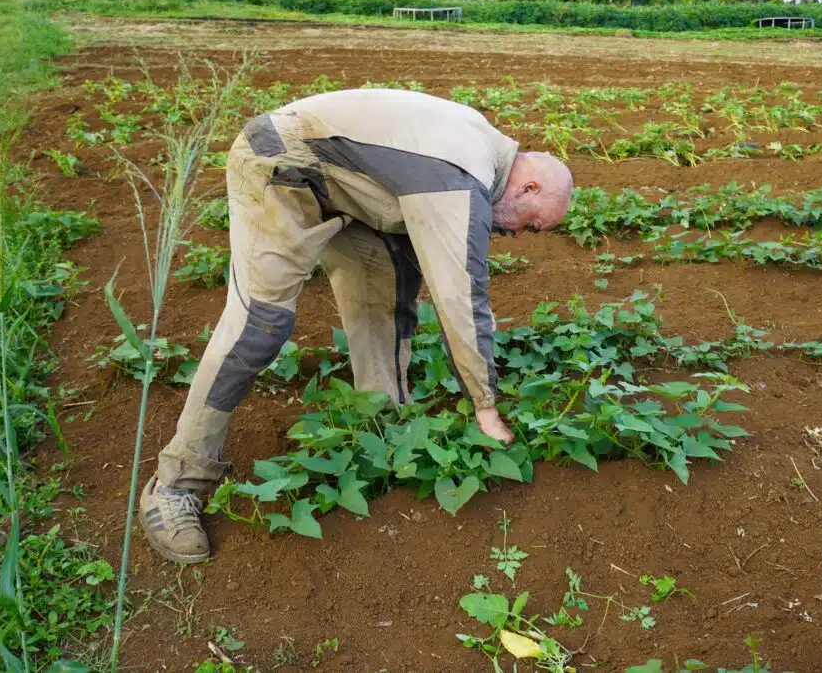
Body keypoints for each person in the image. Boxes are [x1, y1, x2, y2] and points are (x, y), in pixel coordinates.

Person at [139, 88, 574, 563]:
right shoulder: (460, 176)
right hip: (281, 163)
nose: (516, 235)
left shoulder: (482, 152)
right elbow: (460, 297)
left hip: (350, 182)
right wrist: (485, 408)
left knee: (387, 292)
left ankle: (381, 424)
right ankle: (177, 482)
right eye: (531, 225)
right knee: (259, 325)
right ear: (528, 188)